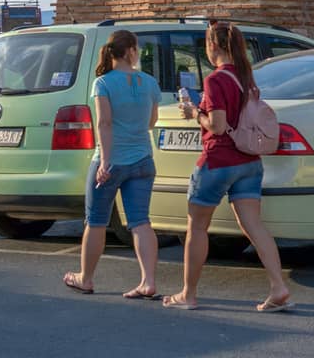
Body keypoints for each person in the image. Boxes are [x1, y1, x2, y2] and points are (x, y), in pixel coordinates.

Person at [163, 19, 291, 313]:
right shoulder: (246, 77)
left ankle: (188, 294)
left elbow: (218, 126)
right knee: (255, 227)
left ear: (213, 45)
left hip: (218, 161)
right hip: (249, 162)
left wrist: (195, 112)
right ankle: (278, 287)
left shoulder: (215, 80)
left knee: (197, 228)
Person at [63, 28, 161, 299]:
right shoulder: (149, 82)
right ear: (130, 51)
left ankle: (86, 278)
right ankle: (148, 281)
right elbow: (151, 122)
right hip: (143, 160)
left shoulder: (103, 83)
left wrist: (105, 161)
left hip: (110, 161)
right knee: (141, 222)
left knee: (95, 221)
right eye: (137, 48)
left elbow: (104, 123)